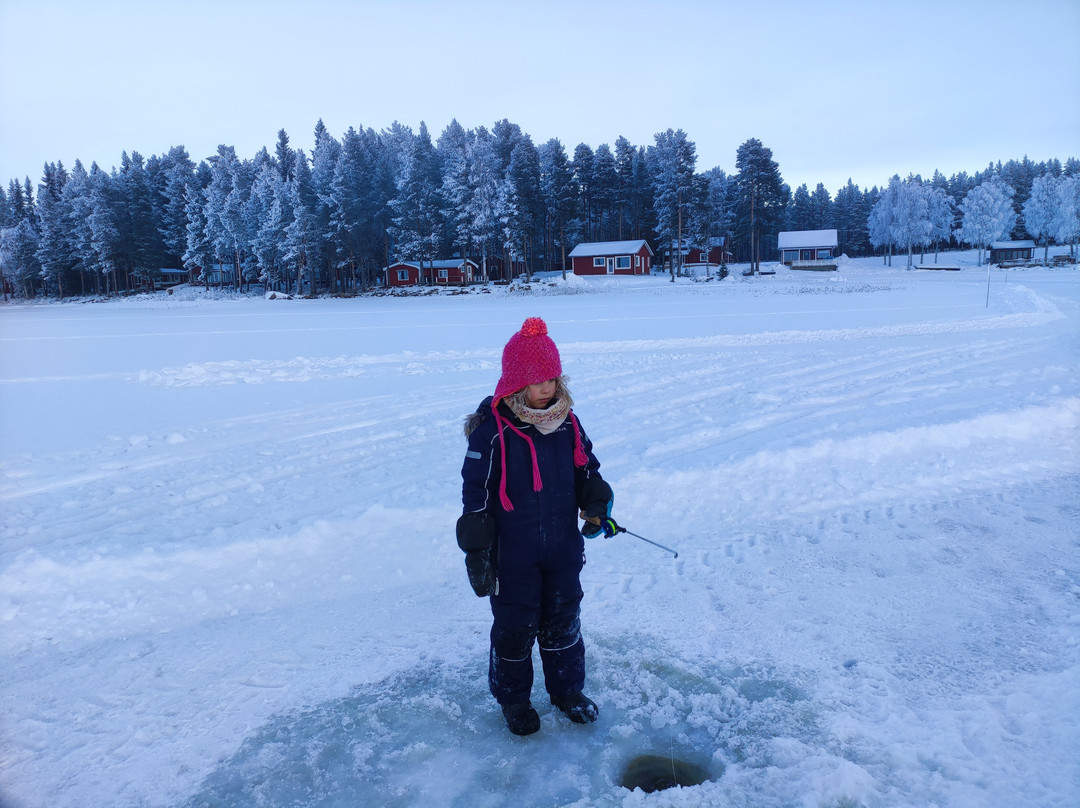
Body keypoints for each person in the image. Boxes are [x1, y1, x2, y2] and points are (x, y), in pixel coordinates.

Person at [457, 316, 614, 736]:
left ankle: (566, 692)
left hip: (562, 550)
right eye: (537, 380)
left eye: (552, 378)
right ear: (515, 383)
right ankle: (514, 700)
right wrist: (478, 550)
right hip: (514, 557)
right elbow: (477, 494)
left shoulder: (568, 422)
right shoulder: (492, 433)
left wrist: (596, 501)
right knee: (514, 630)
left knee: (563, 623)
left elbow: (586, 471)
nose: (547, 387)